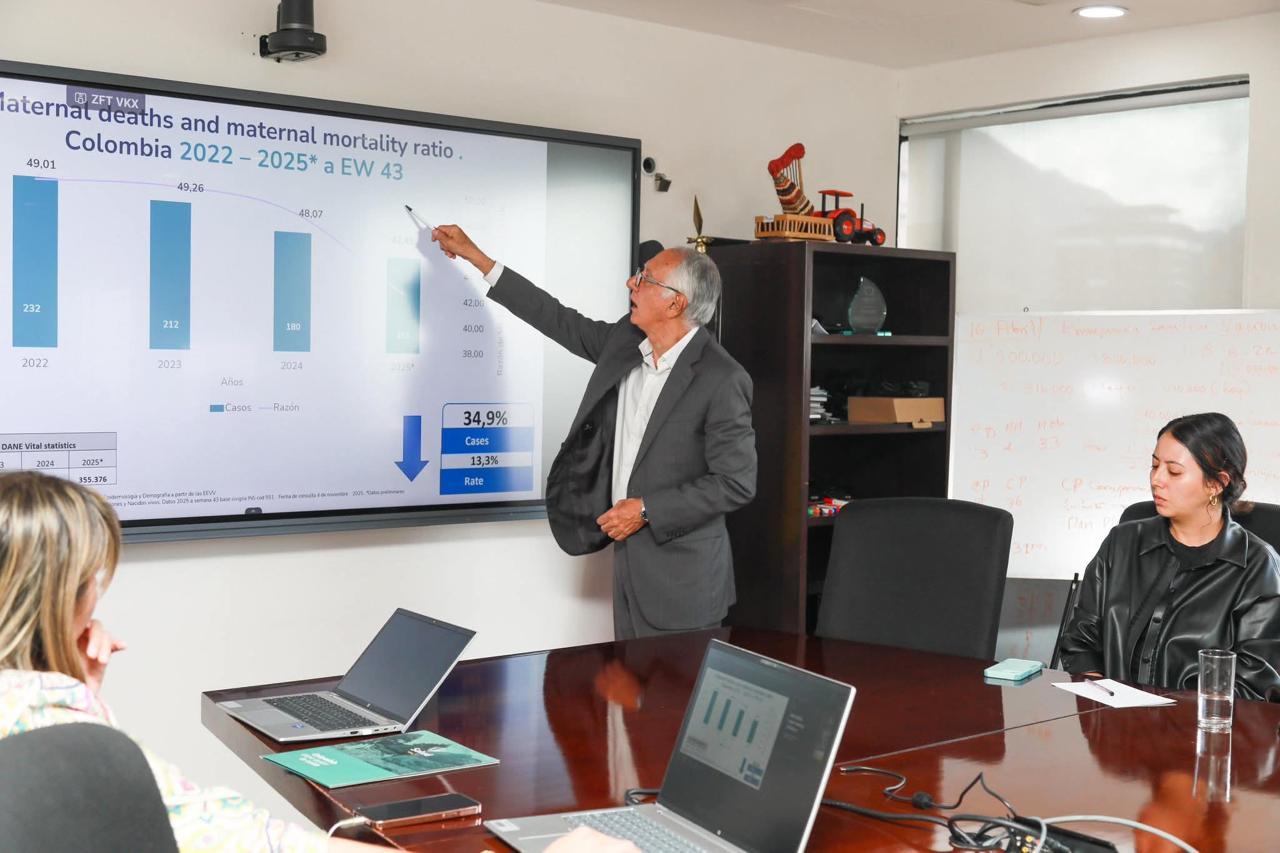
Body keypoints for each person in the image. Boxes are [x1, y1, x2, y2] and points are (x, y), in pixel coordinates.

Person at [0, 471, 635, 853]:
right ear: (60, 599)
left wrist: (82, 692)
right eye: (94, 586)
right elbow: (225, 835)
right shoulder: (60, 729)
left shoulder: (38, 713)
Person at [430, 225, 758, 639]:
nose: (631, 284)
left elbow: (735, 483)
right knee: (629, 683)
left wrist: (645, 509)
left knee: (678, 685)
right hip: (628, 571)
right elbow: (557, 318)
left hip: (685, 584)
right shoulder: (625, 341)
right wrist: (478, 258)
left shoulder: (721, 378)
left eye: (645, 279)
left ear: (675, 303)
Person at [1059, 412, 1280, 699]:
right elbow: (1080, 642)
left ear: (1216, 483)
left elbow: (1253, 685)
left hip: (1200, 726)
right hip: (1112, 721)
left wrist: (1166, 715)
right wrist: (1102, 700)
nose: (1157, 479)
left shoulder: (1258, 566)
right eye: (1154, 466)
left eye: (1174, 471)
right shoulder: (1121, 542)